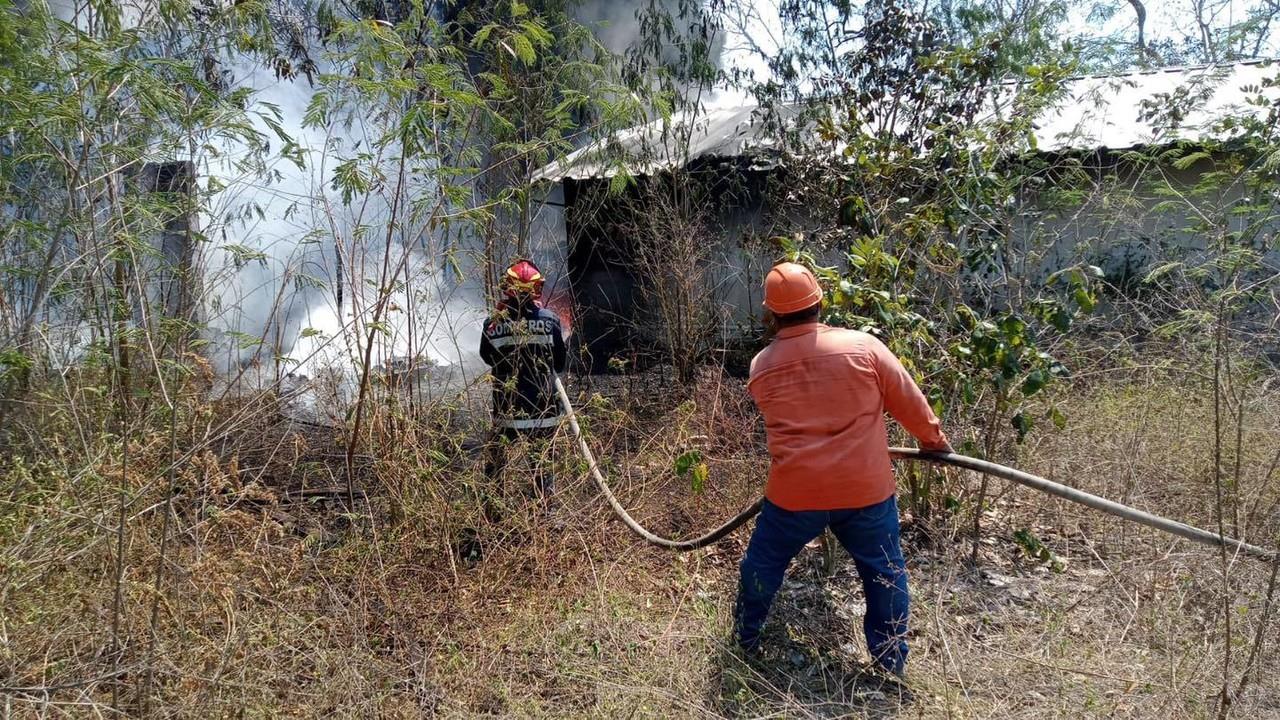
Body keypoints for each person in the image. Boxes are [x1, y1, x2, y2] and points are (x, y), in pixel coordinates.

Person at [735, 262, 952, 681]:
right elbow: (910, 402)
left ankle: (745, 639)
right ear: (818, 301)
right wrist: (934, 442)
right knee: (884, 573)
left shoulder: (761, 366)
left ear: (772, 314)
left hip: (795, 495)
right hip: (865, 492)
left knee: (762, 565)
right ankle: (890, 662)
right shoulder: (865, 347)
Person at [479, 259, 568, 503]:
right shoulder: (550, 321)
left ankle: (493, 512)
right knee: (541, 464)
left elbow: (488, 358)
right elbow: (560, 363)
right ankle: (546, 513)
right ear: (537, 289)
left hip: (507, 411)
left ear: (507, 287)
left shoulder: (492, 324)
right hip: (543, 412)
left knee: (497, 465)